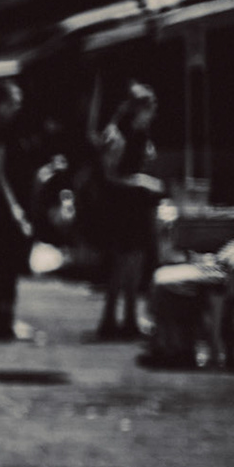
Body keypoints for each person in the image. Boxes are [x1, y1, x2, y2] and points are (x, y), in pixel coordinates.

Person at [92, 81, 164, 339]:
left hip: (137, 204)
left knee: (136, 262)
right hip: (121, 205)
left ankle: (130, 318)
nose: (154, 112)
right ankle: (110, 318)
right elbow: (109, 175)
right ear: (139, 108)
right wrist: (141, 181)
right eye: (151, 107)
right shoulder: (117, 134)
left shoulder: (141, 133)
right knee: (122, 263)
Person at [0, 83, 35, 341]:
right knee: (5, 264)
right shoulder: (0, 130)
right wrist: (15, 209)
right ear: (1, 103)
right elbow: (0, 173)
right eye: (14, 101)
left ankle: (0, 319)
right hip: (2, 208)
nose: (18, 106)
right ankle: (5, 319)